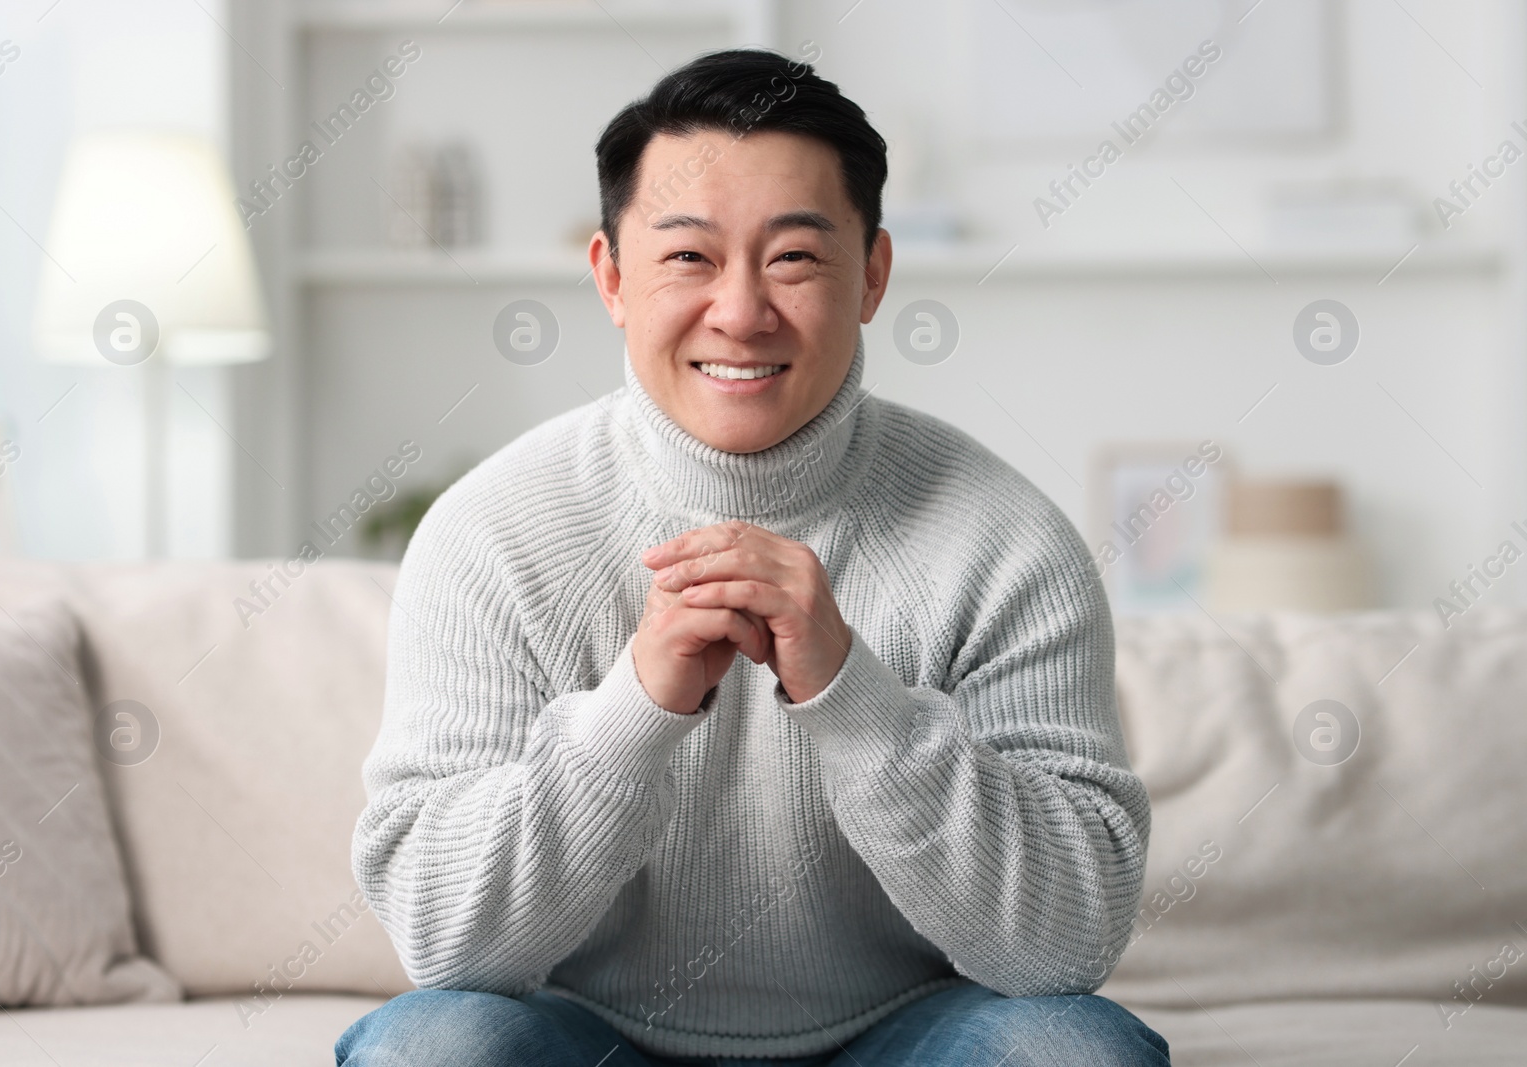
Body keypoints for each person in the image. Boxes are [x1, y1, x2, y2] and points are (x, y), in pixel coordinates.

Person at [336, 48, 1169, 1067]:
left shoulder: (1005, 538)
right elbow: (446, 939)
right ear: (610, 277)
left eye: (794, 259)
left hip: (906, 1032)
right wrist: (634, 708)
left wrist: (852, 694)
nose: (740, 312)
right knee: (435, 1045)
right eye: (688, 257)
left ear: (871, 274)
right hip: (587, 1037)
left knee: (1068, 1051)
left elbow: (1066, 940)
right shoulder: (492, 531)